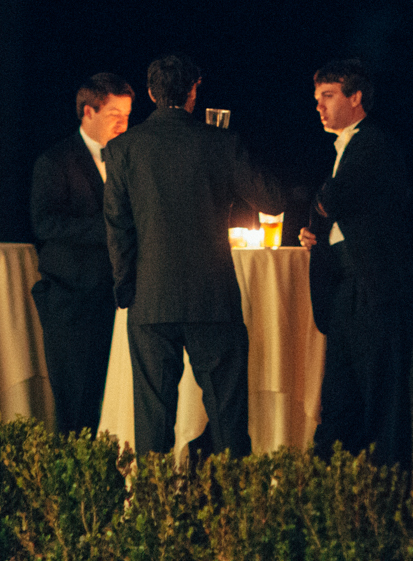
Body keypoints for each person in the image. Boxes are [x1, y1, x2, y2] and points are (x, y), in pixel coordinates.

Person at [103, 53, 282, 457]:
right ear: (195, 93)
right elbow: (272, 199)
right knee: (227, 417)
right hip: (212, 297)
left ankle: (156, 510)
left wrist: (126, 287)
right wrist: (231, 155)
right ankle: (232, 508)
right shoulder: (220, 142)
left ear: (150, 93)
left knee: (152, 420)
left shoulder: (123, 149)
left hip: (150, 298)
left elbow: (117, 227)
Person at [299, 58, 413, 467]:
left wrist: (319, 215)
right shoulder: (346, 147)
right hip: (348, 290)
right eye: (317, 99)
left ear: (356, 97)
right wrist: (319, 234)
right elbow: (330, 206)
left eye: (328, 96)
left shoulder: (372, 143)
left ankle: (387, 493)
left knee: (381, 399)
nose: (319, 106)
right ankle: (340, 490)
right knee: (340, 397)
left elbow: (331, 198)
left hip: (376, 289)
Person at [30, 73, 134, 436]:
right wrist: (112, 228)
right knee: (76, 406)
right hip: (73, 301)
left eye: (127, 115)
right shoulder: (55, 161)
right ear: (87, 112)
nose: (123, 124)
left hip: (118, 300)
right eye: (114, 115)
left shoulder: (129, 162)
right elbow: (45, 224)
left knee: (115, 402)